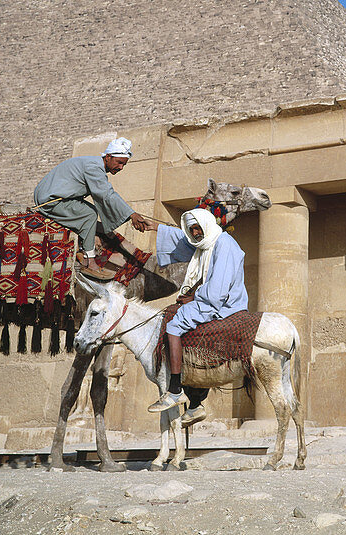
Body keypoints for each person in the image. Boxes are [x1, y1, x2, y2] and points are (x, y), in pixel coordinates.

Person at [148, 207, 248, 414]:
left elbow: (219, 288)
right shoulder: (205, 244)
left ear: (207, 225)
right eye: (191, 229)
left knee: (174, 326)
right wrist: (157, 227)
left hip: (224, 303)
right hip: (210, 297)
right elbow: (183, 240)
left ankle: (175, 389)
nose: (195, 233)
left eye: (197, 228)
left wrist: (194, 298)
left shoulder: (224, 244)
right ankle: (195, 404)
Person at [33, 137, 153, 279]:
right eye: (119, 163)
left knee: (89, 211)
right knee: (90, 213)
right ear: (108, 157)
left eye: (124, 165)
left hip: (55, 197)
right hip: (50, 201)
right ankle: (90, 261)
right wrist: (131, 214)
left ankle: (82, 250)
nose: (121, 168)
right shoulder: (94, 168)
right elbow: (106, 194)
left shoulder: (92, 165)